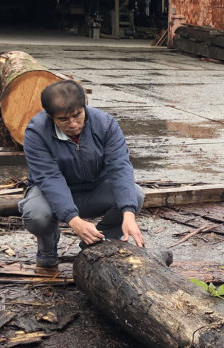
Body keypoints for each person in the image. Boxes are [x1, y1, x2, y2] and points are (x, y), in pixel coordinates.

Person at [19, 80, 145, 267]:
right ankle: (47, 246)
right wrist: (73, 219)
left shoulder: (105, 124)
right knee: (37, 215)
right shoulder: (36, 133)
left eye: (77, 115)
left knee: (135, 195)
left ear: (84, 106)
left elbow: (120, 167)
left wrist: (128, 213)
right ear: (50, 116)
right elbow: (49, 178)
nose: (72, 124)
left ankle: (95, 243)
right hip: (49, 193)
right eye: (63, 119)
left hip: (94, 189)